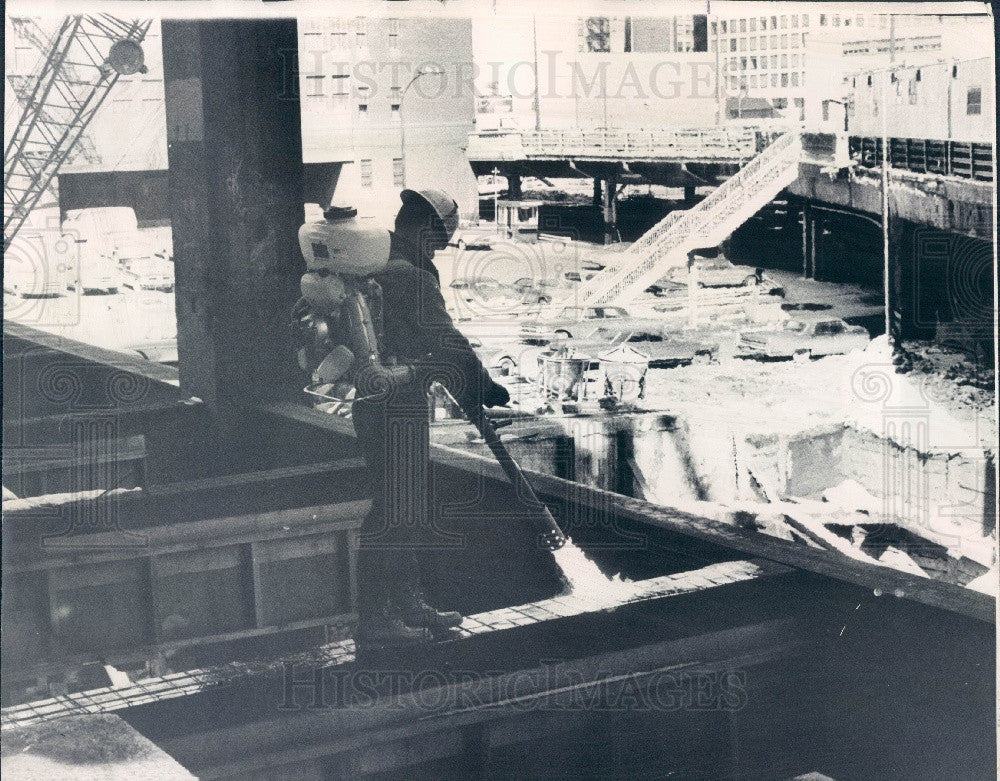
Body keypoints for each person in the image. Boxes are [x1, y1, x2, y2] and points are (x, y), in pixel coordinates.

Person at [352, 189, 510, 647]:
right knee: (395, 512)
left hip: (372, 403)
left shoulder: (371, 266)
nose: (439, 250)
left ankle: (405, 604)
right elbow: (449, 345)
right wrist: (485, 387)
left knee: (403, 507)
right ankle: (377, 620)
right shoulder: (412, 278)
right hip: (399, 405)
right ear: (424, 231)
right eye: (439, 241)